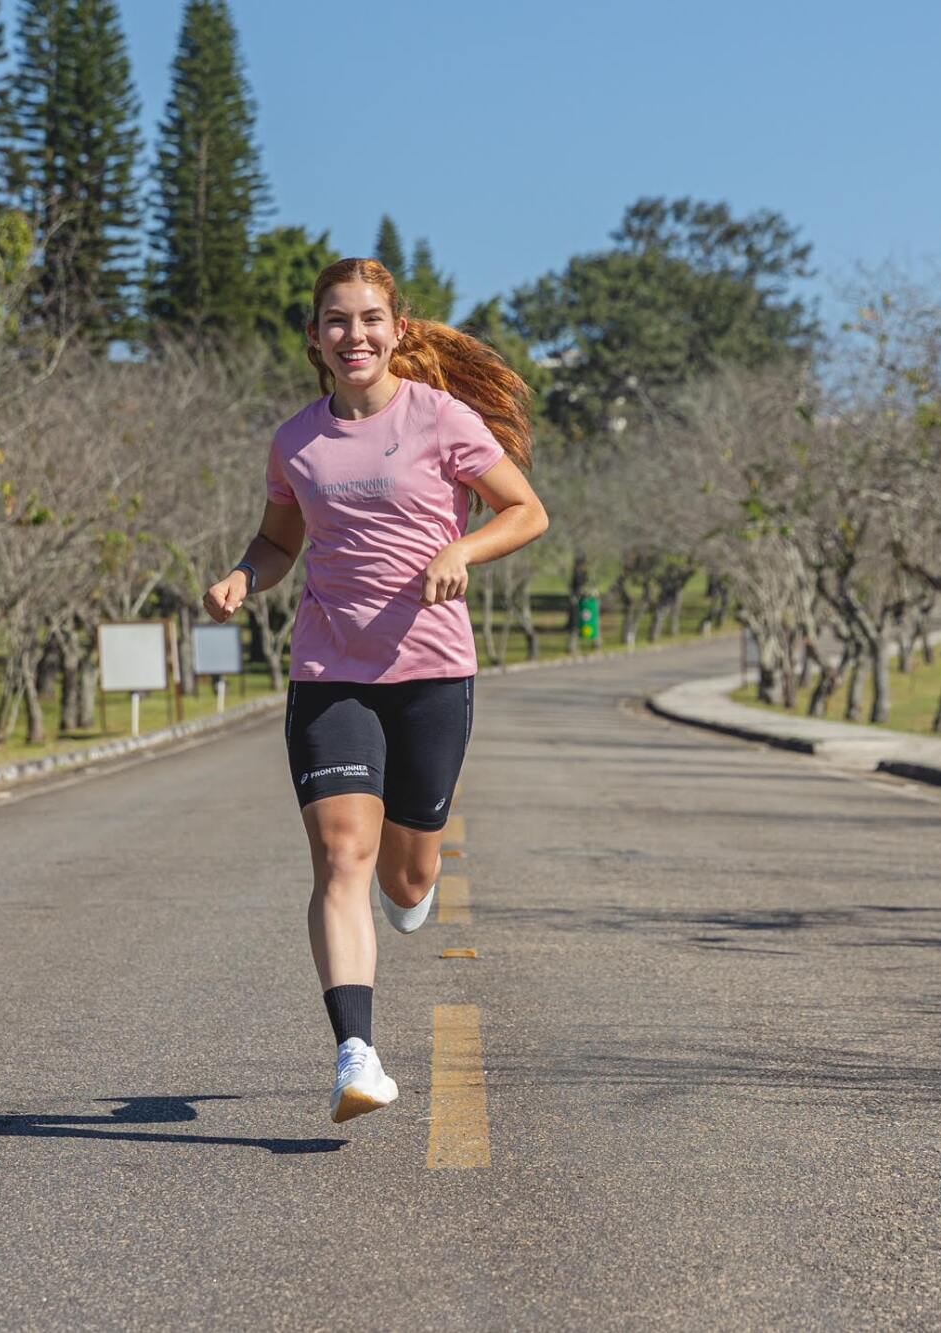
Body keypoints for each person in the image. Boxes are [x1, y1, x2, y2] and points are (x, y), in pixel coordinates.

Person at [202, 258, 548, 1124]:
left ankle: (413, 883)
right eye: (334, 320)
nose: (352, 334)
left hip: (432, 669)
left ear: (396, 329)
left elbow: (524, 511)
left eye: (368, 319)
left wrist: (459, 551)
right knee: (341, 857)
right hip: (331, 672)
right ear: (315, 337)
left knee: (405, 870)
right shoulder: (296, 441)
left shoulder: (440, 416)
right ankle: (355, 1052)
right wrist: (247, 574)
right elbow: (279, 540)